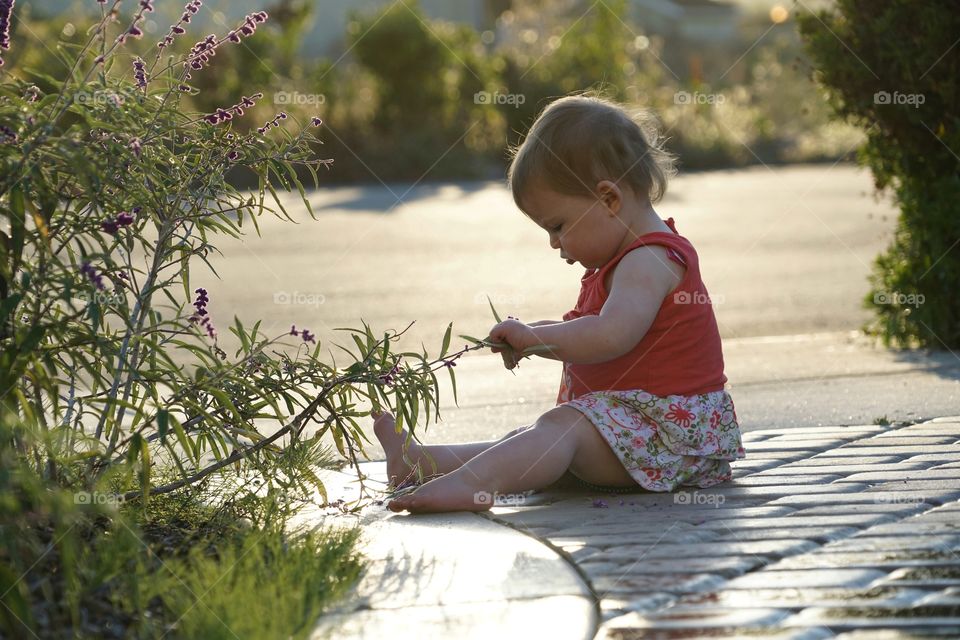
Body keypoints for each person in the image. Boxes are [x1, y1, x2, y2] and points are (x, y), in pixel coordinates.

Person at [374, 94, 745, 513]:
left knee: (558, 430)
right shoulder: (621, 261)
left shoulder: (649, 259)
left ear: (609, 200)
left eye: (558, 226)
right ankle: (423, 464)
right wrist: (534, 332)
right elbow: (585, 326)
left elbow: (610, 334)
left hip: (673, 442)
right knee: (529, 441)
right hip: (638, 434)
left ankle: (473, 486)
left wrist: (535, 338)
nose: (554, 243)